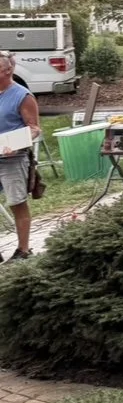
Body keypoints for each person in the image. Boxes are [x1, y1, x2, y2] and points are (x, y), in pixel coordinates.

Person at [0, 52, 41, 262]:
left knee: (17, 203)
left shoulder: (22, 96)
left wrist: (15, 144)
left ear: (8, 70)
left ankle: (23, 251)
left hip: (12, 159)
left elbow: (34, 128)